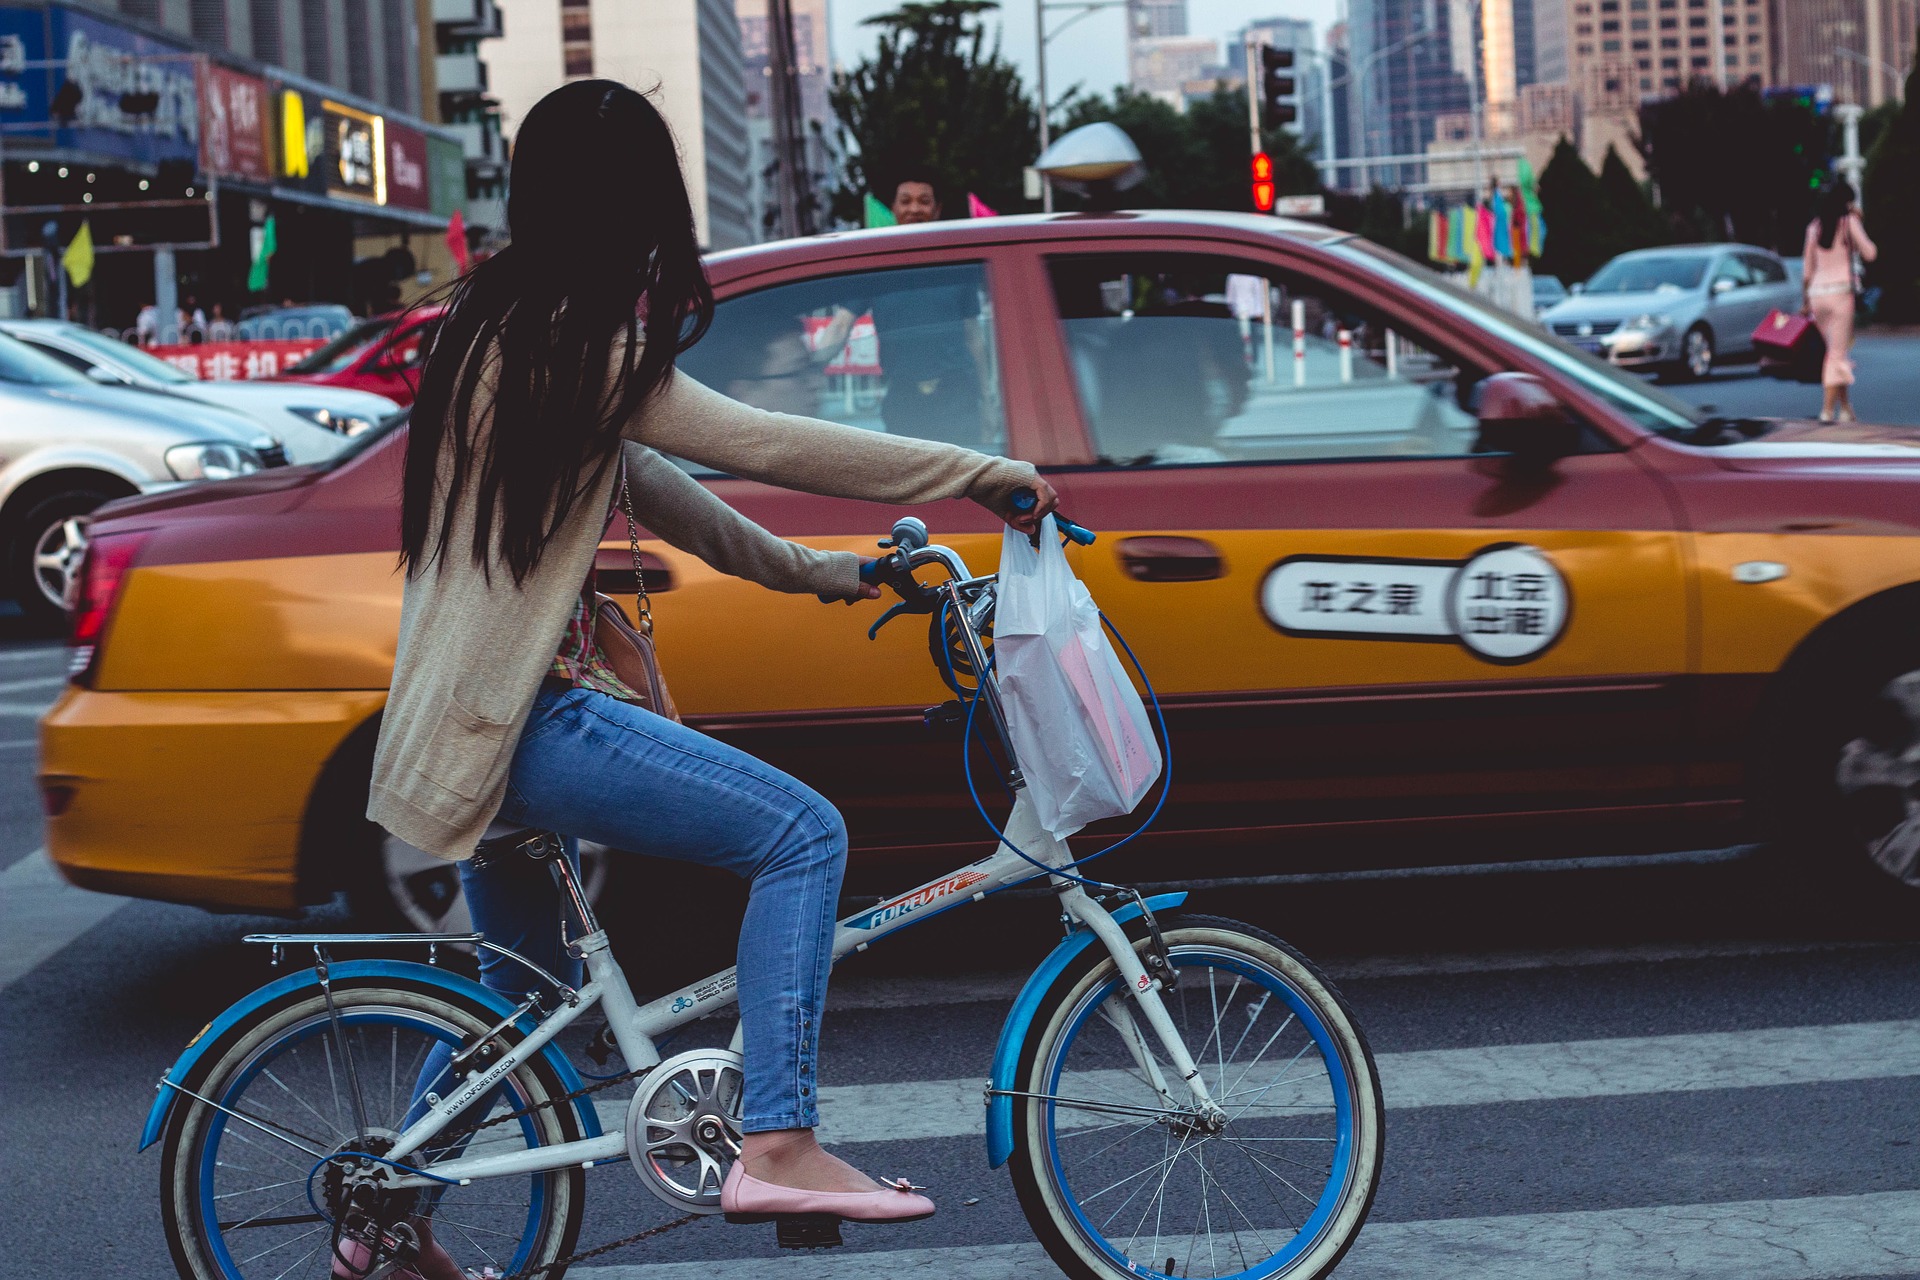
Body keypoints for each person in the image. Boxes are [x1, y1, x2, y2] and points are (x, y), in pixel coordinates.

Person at [364, 81, 1055, 1279]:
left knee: (523, 1010)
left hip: (463, 720)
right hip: (527, 718)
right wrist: (981, 471)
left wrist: (833, 579)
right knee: (801, 834)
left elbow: (683, 501)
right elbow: (771, 442)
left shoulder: (505, 329)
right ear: (623, 207)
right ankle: (779, 1139)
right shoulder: (576, 348)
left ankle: (381, 1205)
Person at [1802, 180, 1877, 423]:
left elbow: (1807, 271)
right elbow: (1870, 253)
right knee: (1836, 353)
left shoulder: (1814, 227)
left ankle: (1845, 408)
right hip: (1840, 294)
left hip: (1817, 296)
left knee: (1836, 351)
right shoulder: (1849, 223)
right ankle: (1826, 411)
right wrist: (1858, 223)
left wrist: (1805, 301)